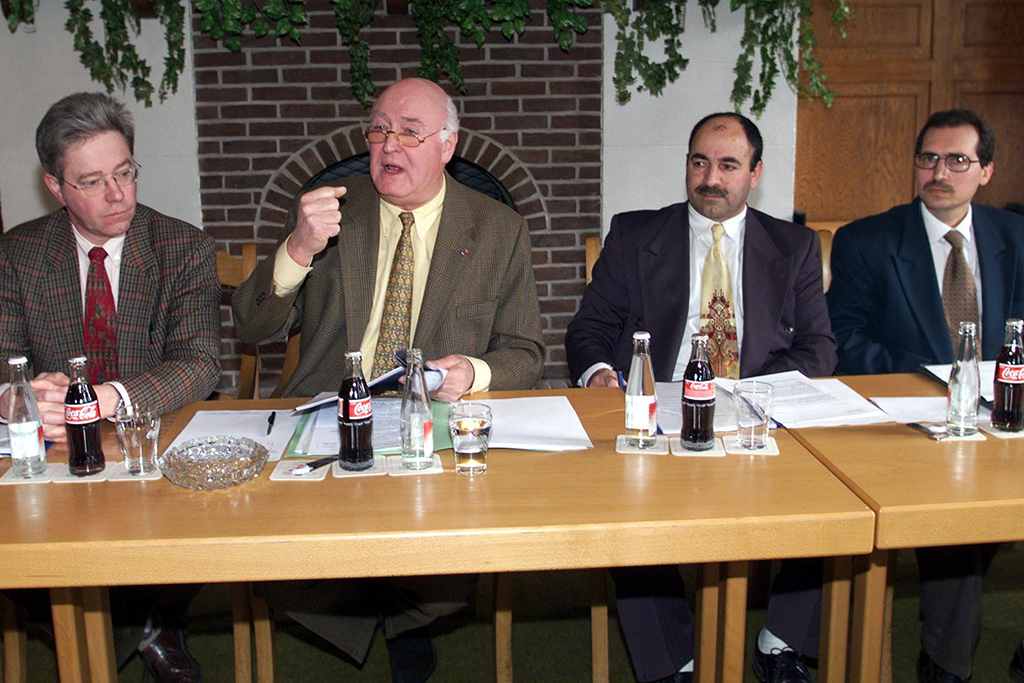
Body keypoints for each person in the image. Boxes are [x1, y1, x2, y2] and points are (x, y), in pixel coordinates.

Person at [232, 77, 544, 683]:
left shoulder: (498, 229)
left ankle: (403, 617)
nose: (388, 146)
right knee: (297, 538)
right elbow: (253, 324)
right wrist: (298, 248)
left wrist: (471, 372)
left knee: (454, 528)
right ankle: (390, 612)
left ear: (447, 146)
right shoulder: (333, 213)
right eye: (378, 130)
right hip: (329, 416)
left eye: (408, 132)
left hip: (434, 425)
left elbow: (526, 354)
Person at [565, 112, 837, 683]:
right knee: (632, 518)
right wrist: (598, 374)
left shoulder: (793, 245)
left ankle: (780, 642)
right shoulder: (637, 235)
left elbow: (818, 348)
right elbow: (589, 329)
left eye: (728, 165)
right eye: (699, 162)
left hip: (754, 419)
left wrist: (752, 396)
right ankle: (676, 663)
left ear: (755, 173)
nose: (710, 178)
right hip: (655, 419)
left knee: (829, 501)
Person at [0, 92, 220, 681]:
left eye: (125, 173)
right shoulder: (18, 254)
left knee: (197, 511)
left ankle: (133, 624)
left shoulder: (182, 246)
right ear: (55, 186)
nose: (119, 195)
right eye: (93, 182)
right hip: (55, 459)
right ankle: (143, 628)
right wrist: (18, 392)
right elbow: (2, 362)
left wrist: (106, 399)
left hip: (151, 440)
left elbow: (200, 363)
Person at [828, 109, 1024, 683]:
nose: (940, 172)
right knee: (960, 520)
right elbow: (847, 342)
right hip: (914, 423)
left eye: (958, 160)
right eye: (929, 159)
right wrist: (944, 380)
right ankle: (945, 666)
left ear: (985, 171)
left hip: (1006, 416)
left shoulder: (1016, 238)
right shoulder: (869, 241)